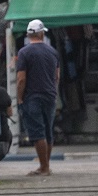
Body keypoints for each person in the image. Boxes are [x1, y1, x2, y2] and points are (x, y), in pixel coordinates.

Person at [16, 19, 59, 176]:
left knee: (37, 131)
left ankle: (44, 167)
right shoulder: (53, 51)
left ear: (28, 34)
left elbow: (21, 78)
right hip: (50, 95)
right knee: (48, 130)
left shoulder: (24, 53)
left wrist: (19, 97)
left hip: (32, 96)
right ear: (41, 34)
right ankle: (45, 165)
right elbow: (57, 76)